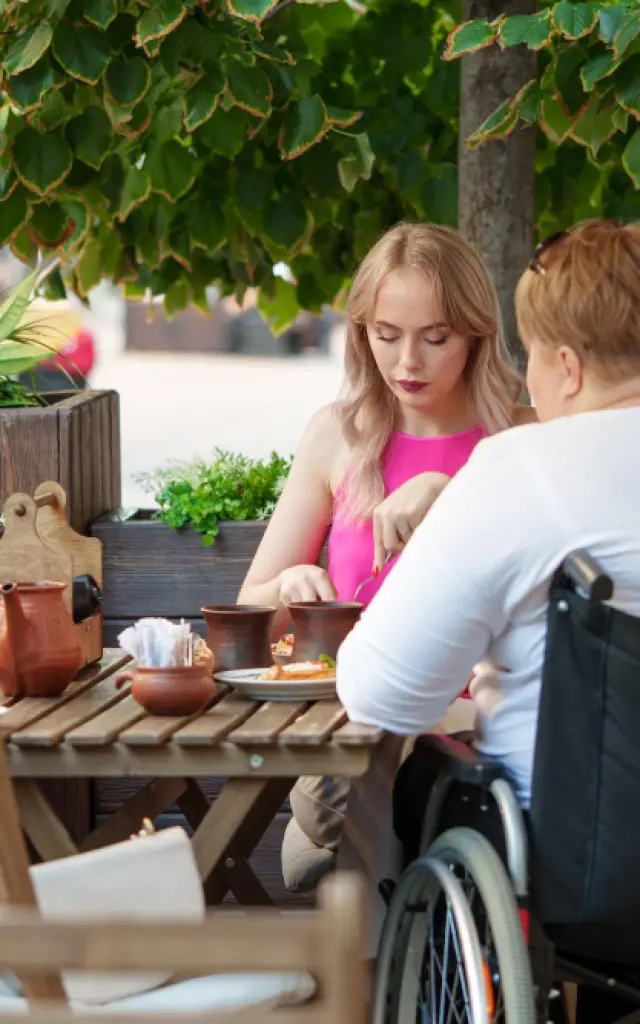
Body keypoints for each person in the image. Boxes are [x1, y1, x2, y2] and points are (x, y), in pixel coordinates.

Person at [336, 219, 640, 1024]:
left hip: (585, 870)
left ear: (567, 366)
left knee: (419, 785)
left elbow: (380, 693)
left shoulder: (522, 470)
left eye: (530, 355)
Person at [238, 221, 532, 892]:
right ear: (360, 332)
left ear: (475, 333)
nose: (407, 363)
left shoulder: (520, 438)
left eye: (435, 338)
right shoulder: (337, 434)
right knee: (369, 755)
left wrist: (449, 492)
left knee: (375, 774)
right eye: (386, 335)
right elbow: (249, 609)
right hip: (361, 718)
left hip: (477, 724)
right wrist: (290, 583)